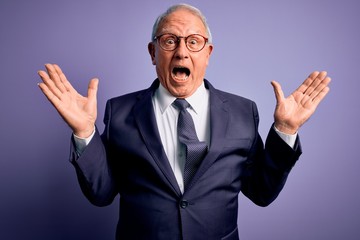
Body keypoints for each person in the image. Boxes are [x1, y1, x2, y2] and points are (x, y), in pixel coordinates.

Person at [37, 3, 331, 240]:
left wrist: (285, 130)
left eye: (194, 42)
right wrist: (84, 131)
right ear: (153, 53)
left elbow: (261, 192)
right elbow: (101, 193)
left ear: (208, 53)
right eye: (169, 41)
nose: (181, 51)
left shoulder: (243, 112)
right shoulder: (121, 112)